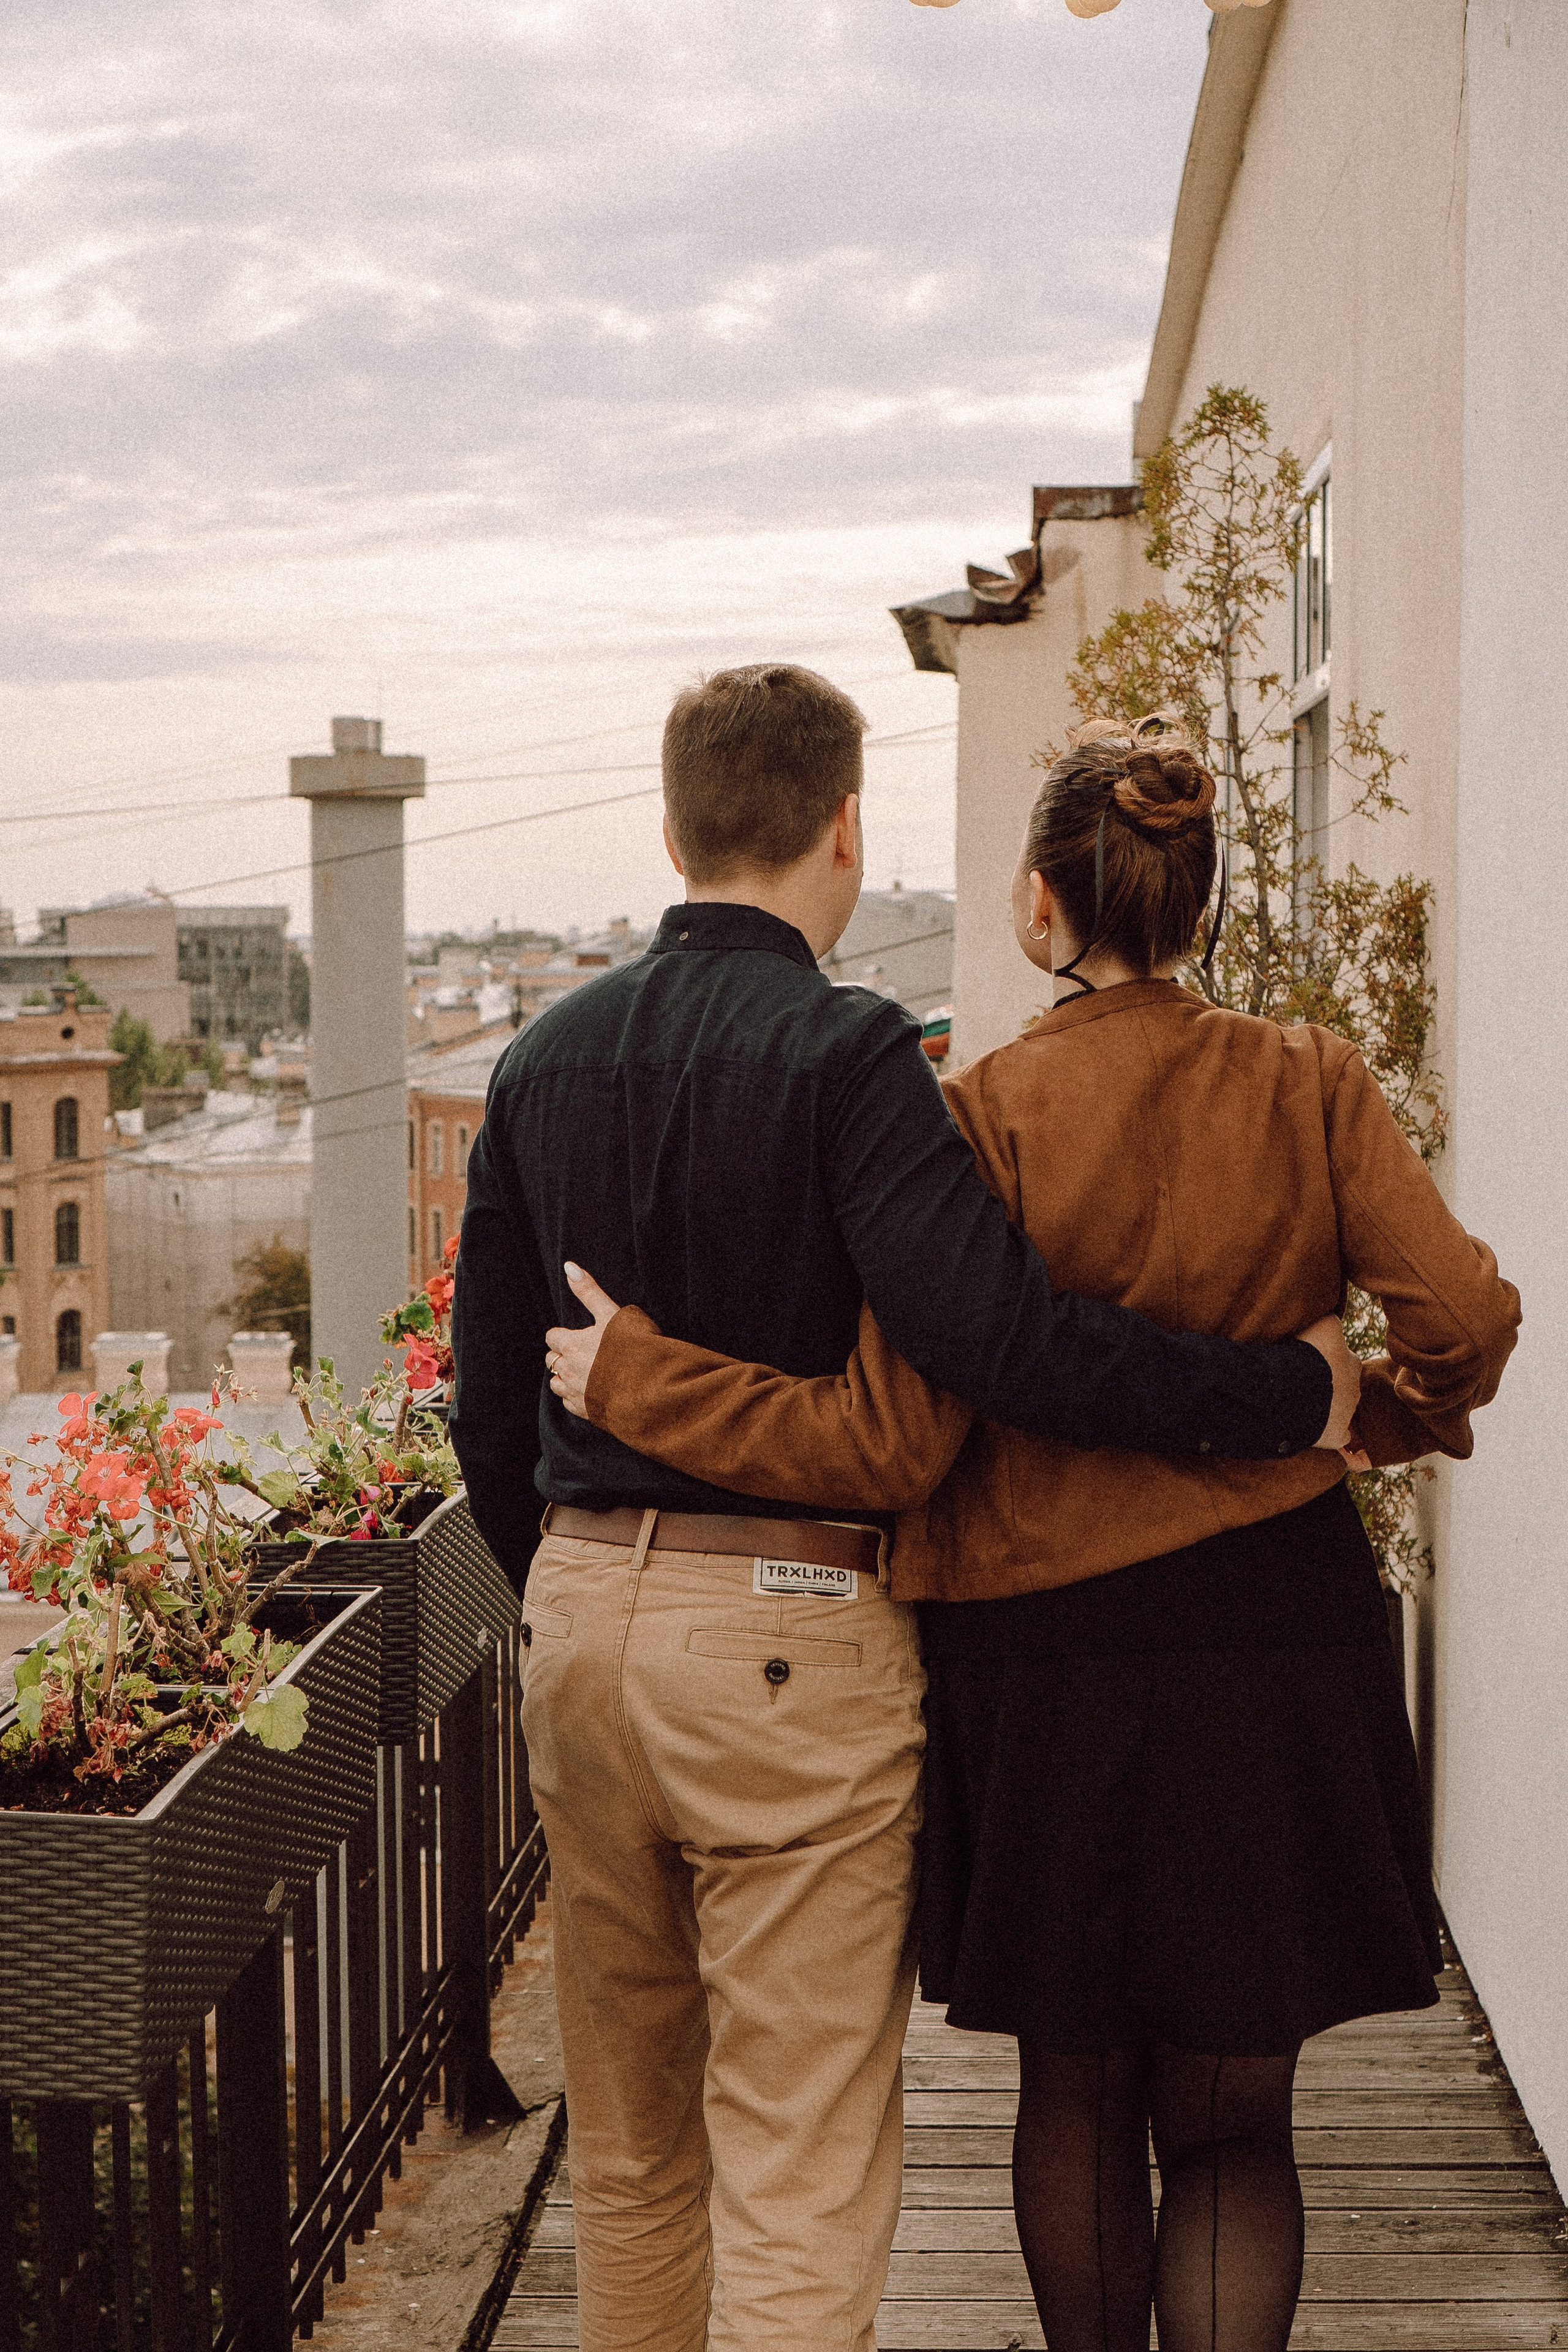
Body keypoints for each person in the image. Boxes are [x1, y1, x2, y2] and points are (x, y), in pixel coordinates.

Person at [543, 718, 1521, 2352]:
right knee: (1233, 2118)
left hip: (1042, 1658)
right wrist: (1373, 1415)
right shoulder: (1311, 1083)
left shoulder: (973, 1116)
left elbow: (901, 1426)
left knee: (1072, 2090)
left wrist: (648, 1383)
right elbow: (1466, 1316)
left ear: (1040, 912)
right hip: (1272, 1631)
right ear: (1194, 905)